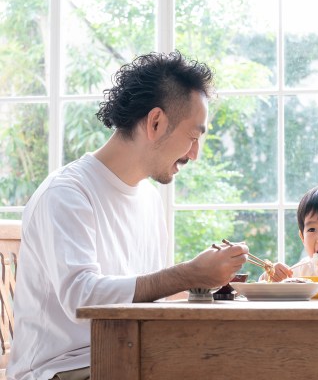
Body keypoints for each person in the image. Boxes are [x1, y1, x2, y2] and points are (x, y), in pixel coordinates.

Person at [8, 51, 249, 380]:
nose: (195, 153)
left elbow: (147, 295)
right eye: (193, 137)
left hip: (128, 356)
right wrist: (188, 273)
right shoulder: (66, 194)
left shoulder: (149, 199)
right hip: (63, 370)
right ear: (155, 123)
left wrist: (208, 283)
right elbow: (83, 298)